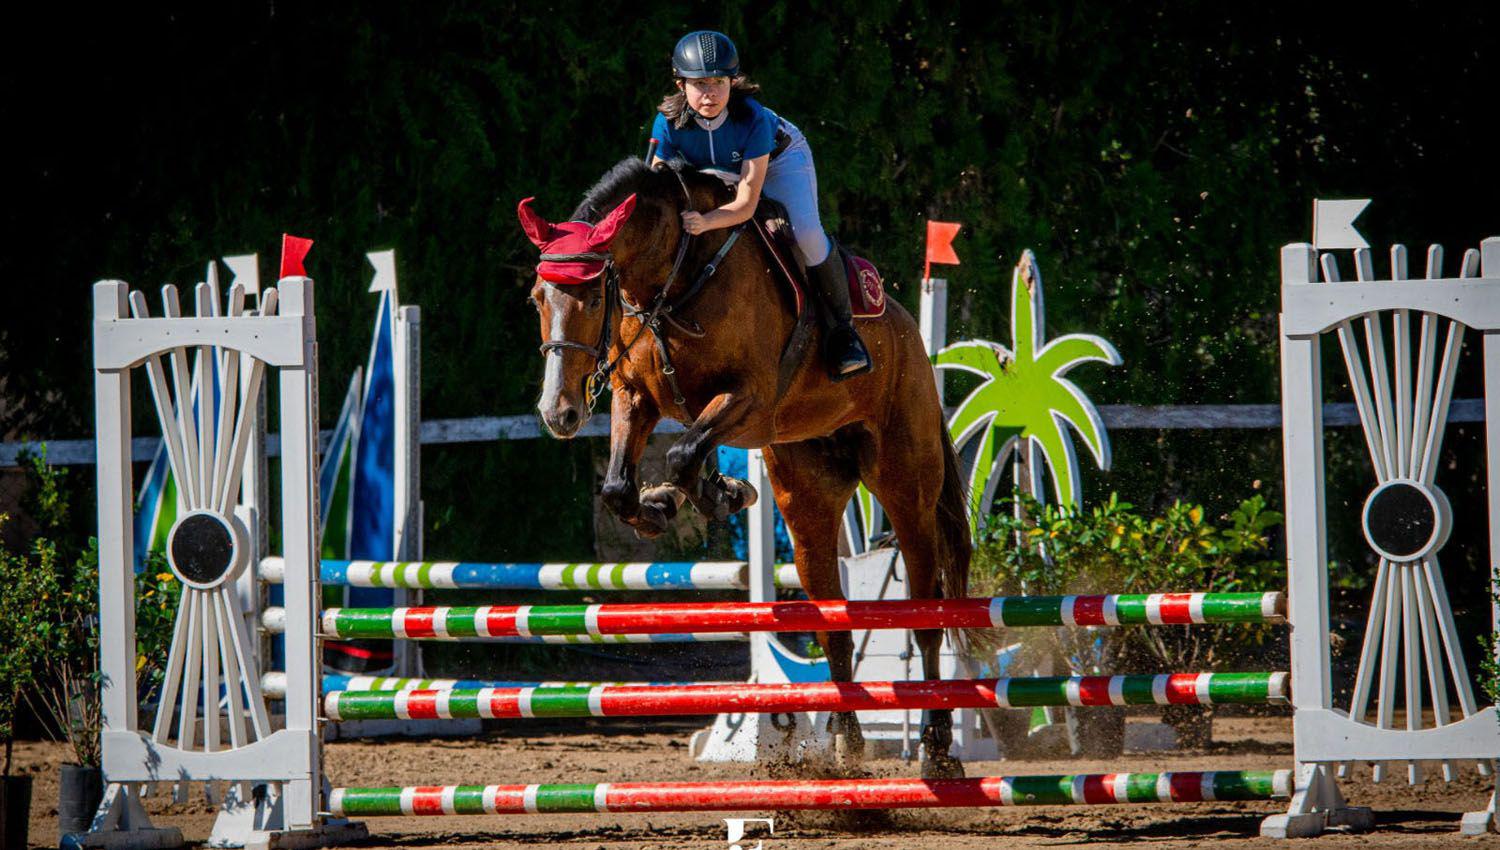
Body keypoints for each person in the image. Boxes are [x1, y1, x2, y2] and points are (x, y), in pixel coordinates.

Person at [649, 30, 871, 381]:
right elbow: (656, 192)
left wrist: (705, 222)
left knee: (807, 232)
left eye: (719, 82)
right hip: (717, 172)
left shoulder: (750, 117)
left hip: (780, 161)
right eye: (699, 84)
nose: (710, 94)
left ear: (732, 82)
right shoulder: (667, 123)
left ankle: (843, 333)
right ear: (680, 85)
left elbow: (746, 205)